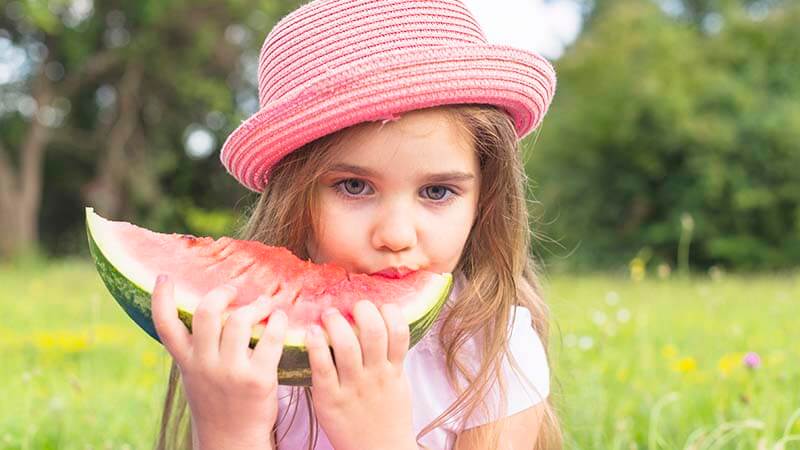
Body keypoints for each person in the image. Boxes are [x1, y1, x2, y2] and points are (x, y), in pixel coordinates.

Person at [150, 0, 560, 448]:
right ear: (294, 196)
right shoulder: (246, 340)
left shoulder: (493, 351)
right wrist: (230, 429)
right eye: (354, 187)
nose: (397, 235)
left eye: (438, 192)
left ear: (484, 199)